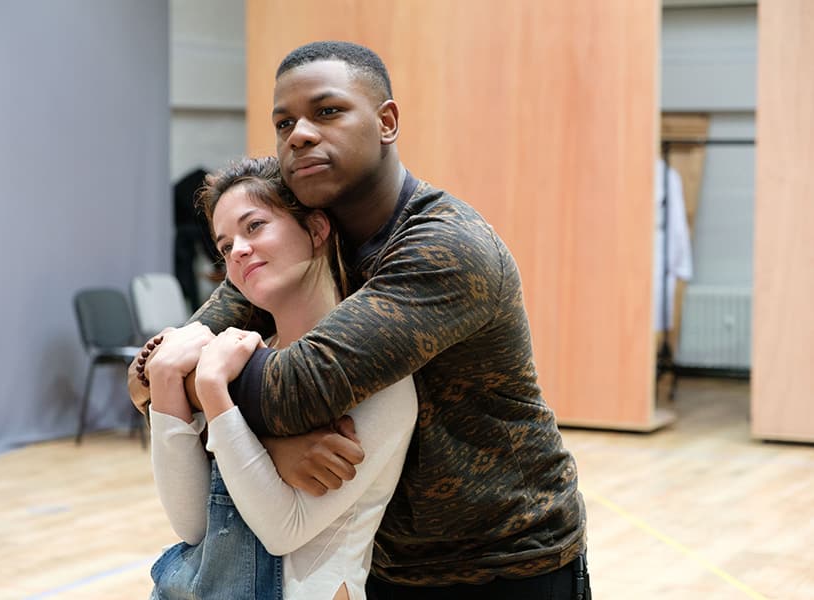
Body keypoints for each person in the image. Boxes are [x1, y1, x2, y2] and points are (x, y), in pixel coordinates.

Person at [131, 41, 591, 599]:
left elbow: (294, 389)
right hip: (387, 562)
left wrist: (211, 392)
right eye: (283, 123)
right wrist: (272, 441)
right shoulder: (294, 249)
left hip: (506, 560)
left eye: (327, 111)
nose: (298, 134)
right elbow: (151, 370)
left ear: (386, 121)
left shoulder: (445, 246)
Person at [143, 156, 417, 600]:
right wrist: (165, 383)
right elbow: (193, 524)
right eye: (225, 245)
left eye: (254, 227)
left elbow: (283, 531)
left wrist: (214, 392)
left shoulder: (371, 370)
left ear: (316, 229)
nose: (238, 251)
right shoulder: (245, 357)